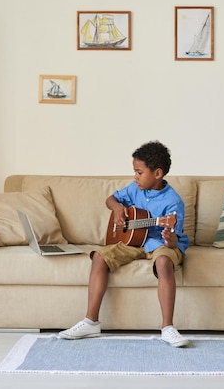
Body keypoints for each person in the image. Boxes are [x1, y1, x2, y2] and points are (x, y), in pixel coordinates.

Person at [59, 141, 190, 347]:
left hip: (160, 243)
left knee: (164, 262)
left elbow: (173, 239)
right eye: (134, 172)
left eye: (139, 172)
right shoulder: (134, 189)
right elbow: (110, 199)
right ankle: (91, 322)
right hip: (133, 242)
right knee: (100, 256)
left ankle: (167, 328)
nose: (135, 177)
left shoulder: (173, 202)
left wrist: (169, 236)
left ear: (157, 173)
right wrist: (118, 208)